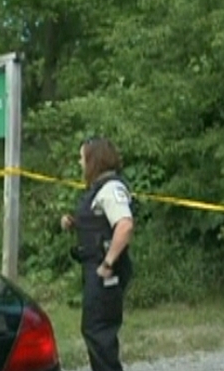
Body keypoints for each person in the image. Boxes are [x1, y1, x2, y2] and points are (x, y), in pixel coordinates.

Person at [60, 137, 135, 371]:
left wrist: (107, 262)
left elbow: (125, 226)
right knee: (95, 330)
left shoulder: (112, 189)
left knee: (99, 331)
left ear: (94, 160)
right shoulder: (99, 190)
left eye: (83, 158)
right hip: (96, 269)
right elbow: (100, 223)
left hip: (105, 272)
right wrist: (74, 223)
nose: (80, 163)